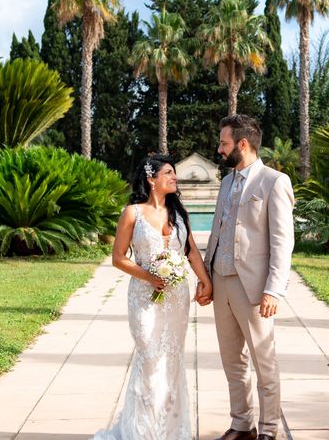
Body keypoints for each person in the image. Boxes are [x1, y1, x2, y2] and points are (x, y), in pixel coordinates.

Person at [92, 155, 212, 440]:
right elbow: (118, 258)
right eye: (168, 173)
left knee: (171, 358)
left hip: (176, 298)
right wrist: (150, 276)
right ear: (151, 178)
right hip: (144, 297)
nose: (174, 177)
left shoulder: (180, 214)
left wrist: (206, 282)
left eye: (174, 173)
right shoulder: (132, 213)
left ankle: (172, 430)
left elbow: (191, 252)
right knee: (149, 358)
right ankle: (142, 432)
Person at [199, 114, 295, 440]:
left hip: (253, 287)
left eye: (224, 143)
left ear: (243, 144)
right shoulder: (225, 182)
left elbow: (283, 242)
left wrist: (274, 290)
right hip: (221, 281)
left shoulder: (273, 181)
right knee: (232, 363)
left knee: (264, 363)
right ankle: (242, 426)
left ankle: (269, 431)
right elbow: (217, 232)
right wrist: (207, 276)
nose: (219, 148)